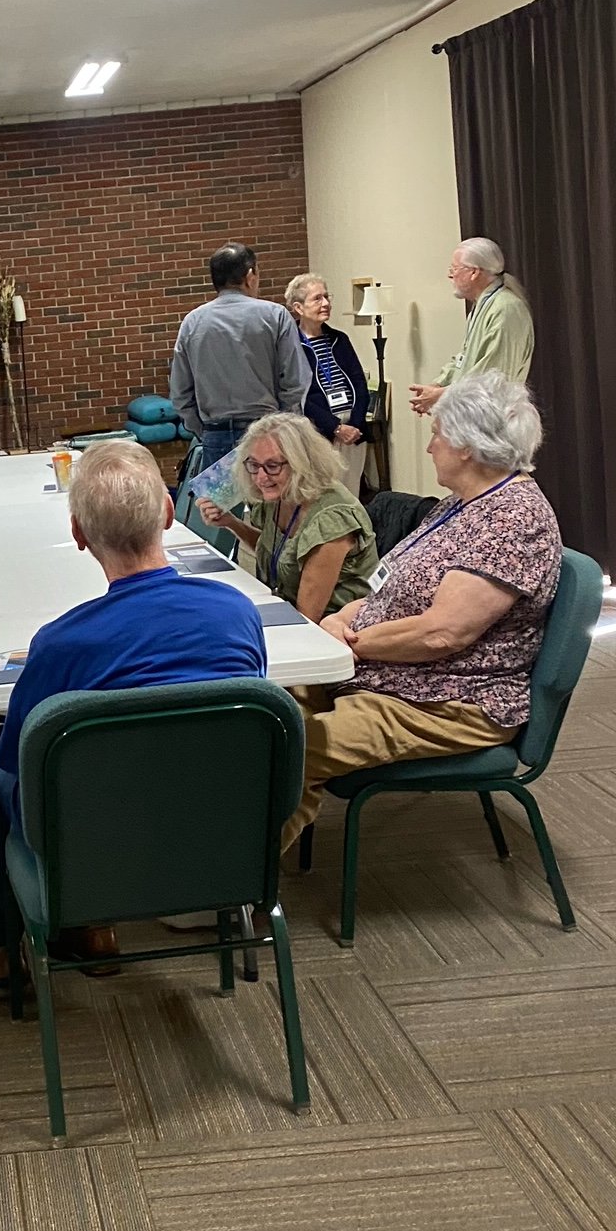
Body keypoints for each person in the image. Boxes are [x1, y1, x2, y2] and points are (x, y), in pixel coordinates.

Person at [0, 440, 268, 990]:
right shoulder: (237, 612)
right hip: (225, 835)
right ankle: (93, 930)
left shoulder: (62, 643)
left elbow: (17, 765)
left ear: (78, 534)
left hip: (95, 844)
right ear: (168, 514)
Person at [284, 373, 560, 848]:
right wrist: (340, 619)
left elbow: (442, 635)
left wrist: (352, 645)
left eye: (436, 434)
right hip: (386, 675)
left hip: (447, 701)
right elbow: (389, 591)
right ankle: (240, 867)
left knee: (282, 750)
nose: (430, 447)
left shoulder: (512, 520)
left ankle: (233, 891)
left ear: (467, 445)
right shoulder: (459, 507)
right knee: (254, 710)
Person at [199, 413, 378, 621]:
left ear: (302, 463)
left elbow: (307, 617)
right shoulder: (282, 496)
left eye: (272, 466)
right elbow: (276, 551)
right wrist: (231, 523)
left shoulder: (332, 519)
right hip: (288, 613)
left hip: (331, 632)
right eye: (254, 465)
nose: (261, 477)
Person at [170, 243, 312, 469]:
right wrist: (283, 425)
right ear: (250, 275)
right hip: (268, 433)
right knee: (271, 501)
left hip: (215, 435)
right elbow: (296, 380)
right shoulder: (275, 315)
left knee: (218, 505)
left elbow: (180, 392)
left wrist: (204, 429)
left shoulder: (192, 322)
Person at [409, 238, 534, 416]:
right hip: (474, 419)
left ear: (474, 272)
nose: (450, 275)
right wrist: (438, 385)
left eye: (454, 268)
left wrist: (441, 395)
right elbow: (464, 360)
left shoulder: (505, 309)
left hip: (494, 425)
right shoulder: (482, 306)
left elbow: (494, 377)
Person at [285, 273, 371, 492]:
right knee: (325, 494)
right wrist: (335, 427)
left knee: (352, 493)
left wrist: (355, 424)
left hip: (353, 430)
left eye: (326, 297)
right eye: (317, 299)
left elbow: (360, 384)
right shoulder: (290, 346)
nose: (325, 303)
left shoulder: (339, 339)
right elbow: (297, 396)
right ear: (299, 307)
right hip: (320, 432)